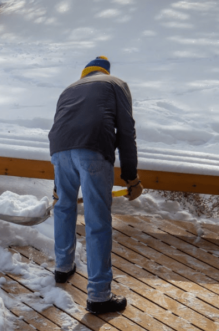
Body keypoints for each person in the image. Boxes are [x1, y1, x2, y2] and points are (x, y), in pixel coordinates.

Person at [48, 56, 143, 315]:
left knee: (64, 208)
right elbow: (126, 132)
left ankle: (63, 267)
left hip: (59, 152)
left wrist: (57, 184)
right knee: (97, 220)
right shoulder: (116, 83)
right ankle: (99, 296)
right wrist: (131, 177)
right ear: (105, 71)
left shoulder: (69, 89)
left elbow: (61, 128)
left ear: (84, 73)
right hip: (93, 150)